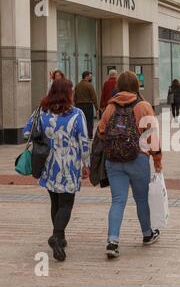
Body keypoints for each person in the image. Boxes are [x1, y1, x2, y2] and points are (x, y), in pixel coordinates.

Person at [23, 79, 90, 262]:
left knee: (55, 201)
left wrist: (44, 136)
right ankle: (56, 236)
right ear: (69, 93)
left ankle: (60, 238)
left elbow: (26, 132)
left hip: (48, 164)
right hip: (69, 165)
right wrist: (87, 165)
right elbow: (84, 141)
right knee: (66, 204)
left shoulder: (41, 111)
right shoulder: (77, 114)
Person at [98, 71, 163, 259]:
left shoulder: (110, 107)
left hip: (114, 161)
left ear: (118, 86)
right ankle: (147, 234)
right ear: (136, 85)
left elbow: (101, 132)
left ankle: (112, 241)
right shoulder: (143, 106)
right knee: (141, 199)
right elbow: (153, 137)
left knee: (118, 201)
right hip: (138, 159)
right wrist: (157, 161)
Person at [74, 71, 99, 140]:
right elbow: (94, 97)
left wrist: (75, 105)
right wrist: (97, 108)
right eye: (90, 76)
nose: (91, 78)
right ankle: (89, 136)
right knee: (89, 121)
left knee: (80, 121)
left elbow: (74, 97)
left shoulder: (77, 85)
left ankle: (80, 135)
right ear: (86, 76)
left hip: (79, 105)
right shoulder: (89, 85)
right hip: (88, 105)